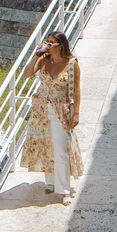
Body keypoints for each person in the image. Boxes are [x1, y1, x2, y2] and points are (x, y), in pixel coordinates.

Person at [20, 30, 83, 205]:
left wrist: (76, 112)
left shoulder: (71, 64)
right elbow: (27, 74)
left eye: (50, 43)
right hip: (41, 108)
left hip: (60, 109)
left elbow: (77, 91)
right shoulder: (43, 60)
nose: (47, 45)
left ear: (60, 45)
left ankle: (63, 188)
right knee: (44, 144)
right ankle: (50, 181)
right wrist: (36, 55)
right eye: (46, 42)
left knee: (61, 149)